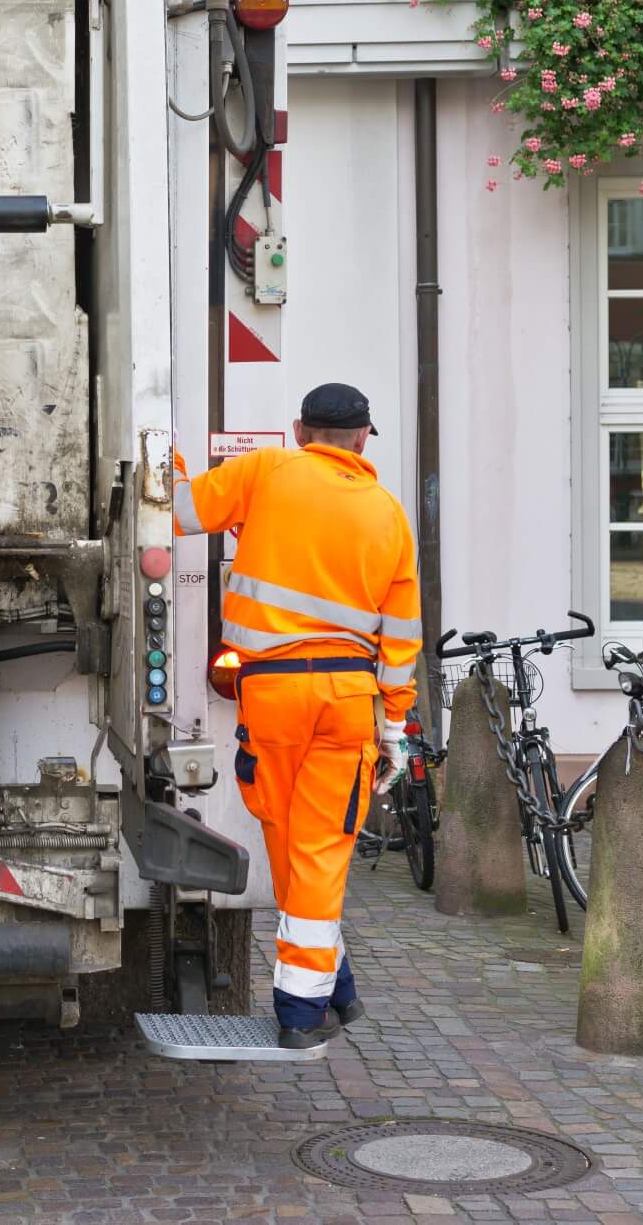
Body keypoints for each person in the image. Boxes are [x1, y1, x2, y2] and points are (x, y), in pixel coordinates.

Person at [169, 383, 421, 1047]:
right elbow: (401, 641)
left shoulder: (265, 472)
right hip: (347, 701)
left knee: (291, 842)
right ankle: (317, 1001)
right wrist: (394, 727)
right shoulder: (390, 516)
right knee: (315, 850)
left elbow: (179, 511)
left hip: (270, 694)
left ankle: (310, 1003)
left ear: (300, 430)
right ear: (364, 438)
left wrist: (159, 456)